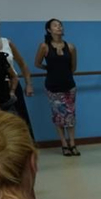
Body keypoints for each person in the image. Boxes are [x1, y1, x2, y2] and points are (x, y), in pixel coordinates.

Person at [0, 14, 34, 136]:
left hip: (13, 86)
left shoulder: (6, 42)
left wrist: (28, 83)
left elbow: (22, 64)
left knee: (20, 119)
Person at [34, 19, 79, 156]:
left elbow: (73, 67)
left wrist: (64, 73)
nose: (59, 27)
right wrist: (50, 69)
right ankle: (64, 144)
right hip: (53, 86)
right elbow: (37, 63)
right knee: (58, 115)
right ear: (49, 30)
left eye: (60, 25)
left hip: (69, 85)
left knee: (70, 115)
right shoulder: (44, 46)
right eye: (55, 25)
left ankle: (72, 143)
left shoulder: (70, 47)